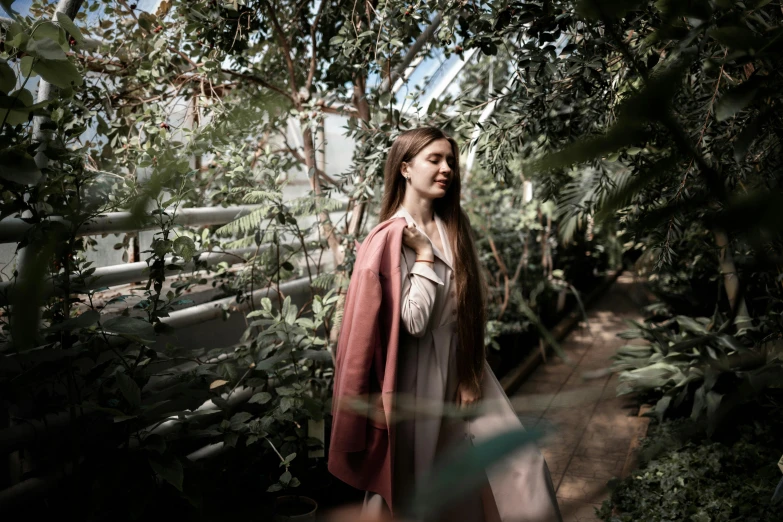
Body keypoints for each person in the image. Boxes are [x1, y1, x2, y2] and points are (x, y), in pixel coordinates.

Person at [329, 127, 562, 522]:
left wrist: (470, 373)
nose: (446, 169)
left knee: (523, 466)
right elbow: (414, 323)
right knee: (423, 484)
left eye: (450, 161)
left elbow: (470, 307)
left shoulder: (452, 224)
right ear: (405, 168)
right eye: (434, 159)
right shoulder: (391, 238)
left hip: (463, 365)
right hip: (417, 376)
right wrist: (423, 256)